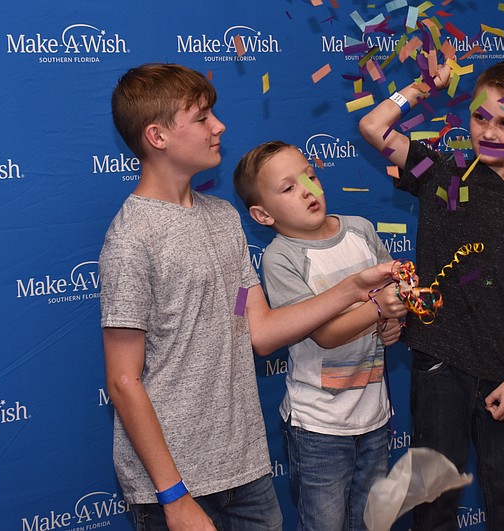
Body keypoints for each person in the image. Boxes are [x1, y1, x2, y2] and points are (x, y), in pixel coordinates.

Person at [99, 63, 404, 531]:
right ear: (157, 137)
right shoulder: (131, 237)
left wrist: (351, 290)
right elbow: (123, 380)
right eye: (201, 118)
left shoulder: (222, 217)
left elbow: (260, 331)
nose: (219, 126)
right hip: (177, 484)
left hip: (246, 467)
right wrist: (173, 496)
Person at [358, 59, 504, 530]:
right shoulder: (440, 171)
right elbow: (372, 125)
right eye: (480, 117)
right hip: (437, 365)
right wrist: (420, 86)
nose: (490, 131)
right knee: (433, 509)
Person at [233, 140, 404, 531]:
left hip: (375, 417)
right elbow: (325, 334)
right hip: (319, 429)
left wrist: (392, 320)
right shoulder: (281, 258)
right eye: (289, 188)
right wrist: (378, 309)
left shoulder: (360, 229)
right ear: (262, 214)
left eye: (310, 176)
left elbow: (388, 297)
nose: (309, 189)